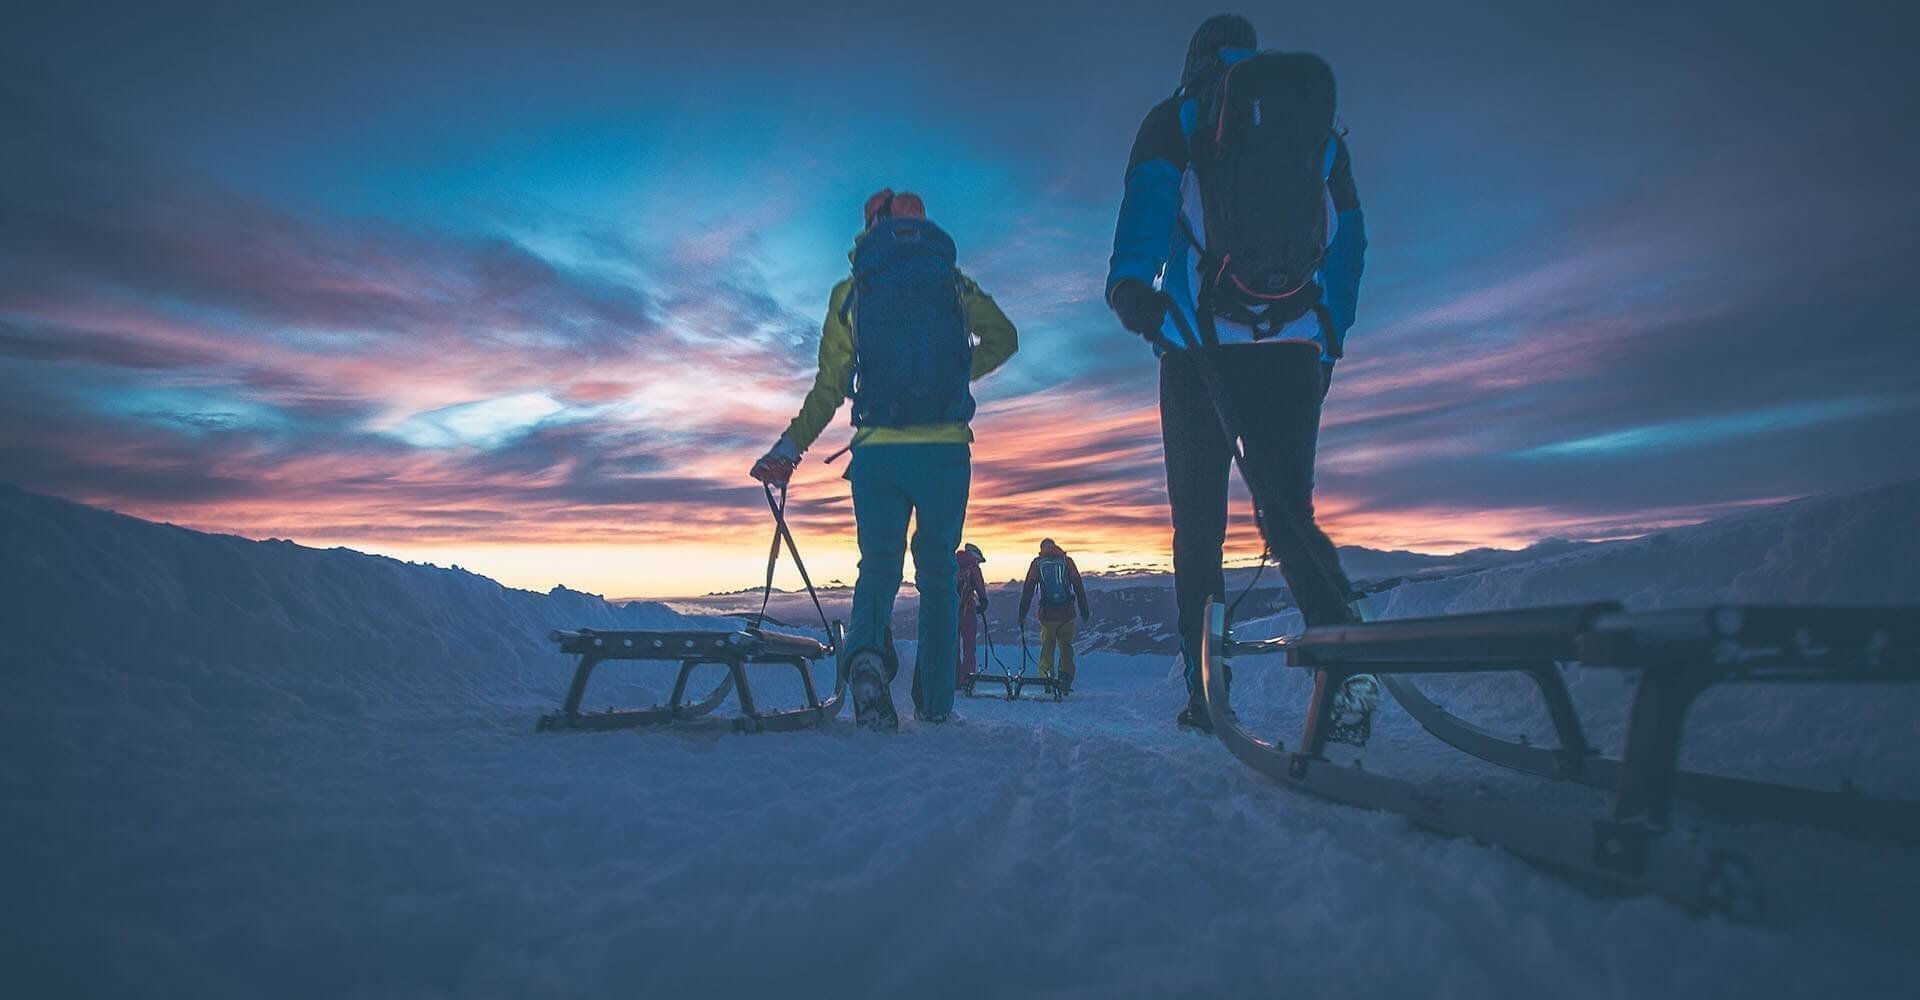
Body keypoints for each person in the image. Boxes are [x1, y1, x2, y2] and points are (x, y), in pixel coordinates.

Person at [1104, 14, 1377, 737]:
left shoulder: (1177, 118)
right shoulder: (1313, 122)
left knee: (1198, 528)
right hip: (1294, 346)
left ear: (1195, 58)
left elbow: (1147, 208)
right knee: (1288, 513)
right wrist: (1328, 336)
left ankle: (1205, 690)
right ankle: (1349, 671)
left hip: (1198, 348)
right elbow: (1350, 237)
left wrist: (1131, 286)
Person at [752, 190, 1019, 731]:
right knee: (940, 574)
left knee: (877, 568)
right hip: (945, 450)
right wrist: (952, 374)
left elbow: (829, 386)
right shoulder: (953, 283)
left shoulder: (853, 291)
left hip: (878, 452)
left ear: (869, 229)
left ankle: (869, 662)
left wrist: (788, 449)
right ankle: (937, 703)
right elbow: (1005, 339)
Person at [1018, 538, 1090, 691]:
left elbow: (1028, 589)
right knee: (1066, 648)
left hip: (1047, 615)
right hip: (1067, 614)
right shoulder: (1067, 561)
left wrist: (1022, 614)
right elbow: (1078, 585)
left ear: (1042, 548)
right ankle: (1065, 680)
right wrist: (1084, 611)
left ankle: (1046, 680)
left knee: (1047, 648)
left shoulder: (1037, 563)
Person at [955, 542, 990, 689]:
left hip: (950, 611)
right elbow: (980, 589)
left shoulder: (952, 562)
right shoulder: (973, 567)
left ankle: (954, 679)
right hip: (967, 610)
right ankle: (967, 679)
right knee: (969, 647)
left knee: (952, 646)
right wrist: (983, 603)